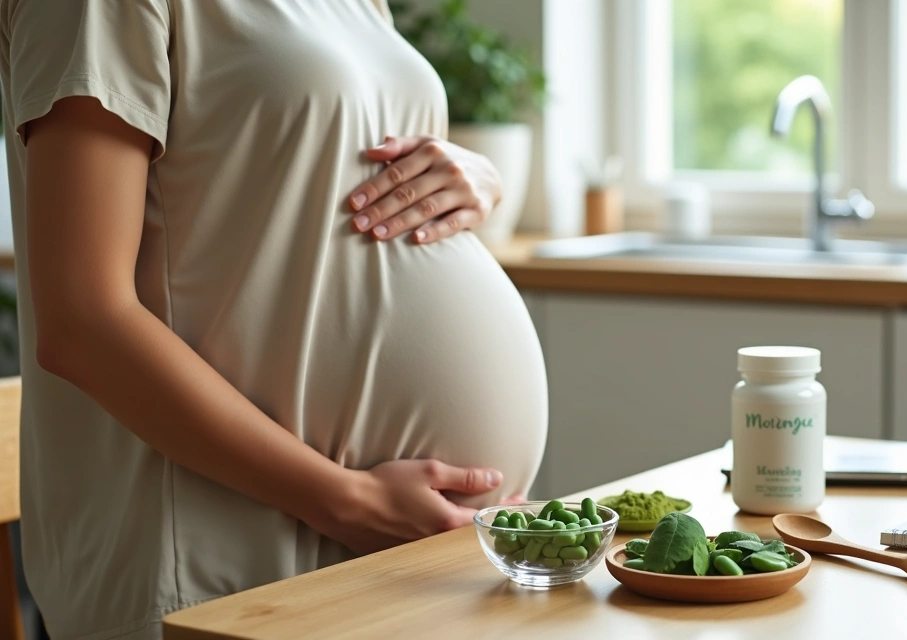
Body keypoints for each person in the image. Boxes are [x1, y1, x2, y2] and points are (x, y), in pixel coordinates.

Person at [0, 0, 549, 637]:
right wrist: (346, 500)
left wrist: (479, 177)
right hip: (224, 570)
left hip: (400, 564)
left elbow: (307, 169)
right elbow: (84, 321)